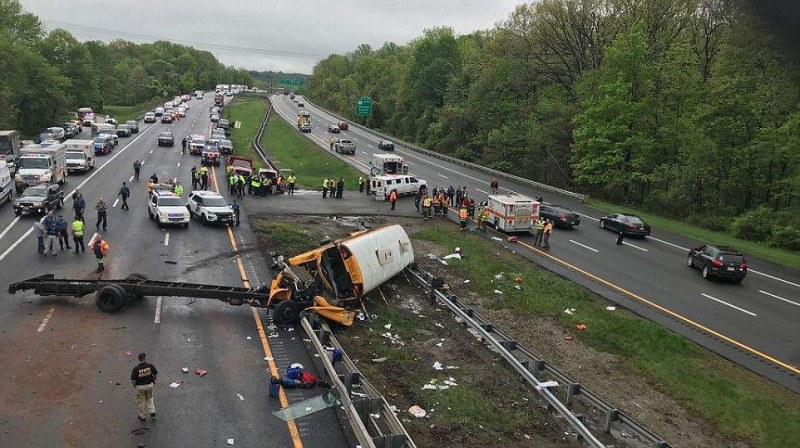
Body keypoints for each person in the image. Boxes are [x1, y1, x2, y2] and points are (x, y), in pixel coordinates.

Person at [131, 352, 158, 421]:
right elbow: (155, 374)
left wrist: (135, 386)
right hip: (149, 385)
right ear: (145, 358)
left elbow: (133, 380)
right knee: (149, 397)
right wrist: (153, 381)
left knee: (141, 400)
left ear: (139, 359)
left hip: (140, 387)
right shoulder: (150, 366)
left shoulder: (136, 369)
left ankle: (142, 416)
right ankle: (152, 411)